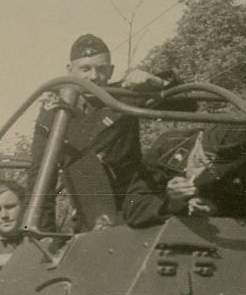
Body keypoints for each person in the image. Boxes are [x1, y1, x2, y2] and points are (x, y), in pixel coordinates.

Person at [27, 33, 196, 231]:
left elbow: (188, 106)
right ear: (70, 71)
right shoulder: (54, 113)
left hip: (133, 205)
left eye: (101, 69)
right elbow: (41, 176)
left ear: (111, 71)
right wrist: (44, 232)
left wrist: (156, 83)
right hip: (91, 213)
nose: (93, 77)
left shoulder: (124, 95)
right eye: (85, 69)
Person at [122, 126, 246, 228]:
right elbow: (133, 210)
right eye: (201, 160)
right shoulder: (169, 145)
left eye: (217, 170)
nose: (202, 171)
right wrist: (172, 203)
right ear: (199, 139)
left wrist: (217, 209)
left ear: (239, 162)